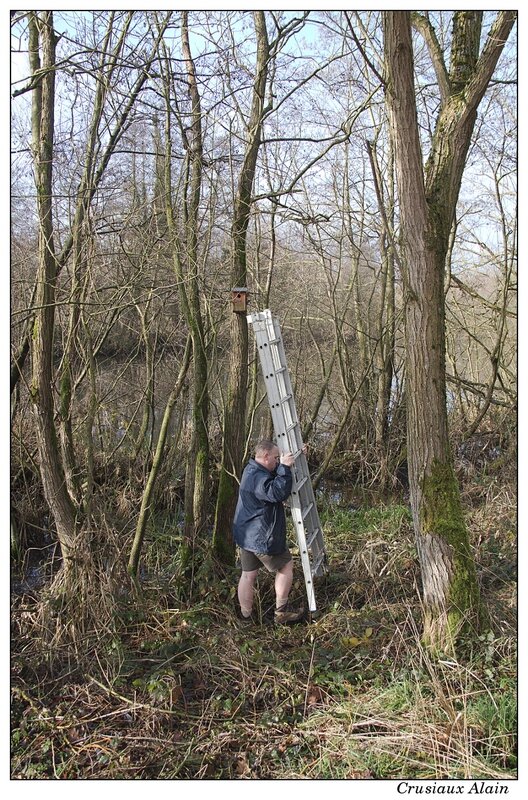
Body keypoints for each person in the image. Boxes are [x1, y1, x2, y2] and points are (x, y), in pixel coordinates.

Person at [233, 439, 305, 624]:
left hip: (246, 535)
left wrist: (294, 456)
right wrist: (285, 469)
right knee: (286, 566)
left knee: (248, 574)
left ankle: (245, 616)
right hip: (261, 537)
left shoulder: (252, 469)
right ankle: (281, 612)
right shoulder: (258, 478)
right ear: (265, 456)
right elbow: (276, 492)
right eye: (275, 458)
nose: (277, 461)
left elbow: (271, 481)